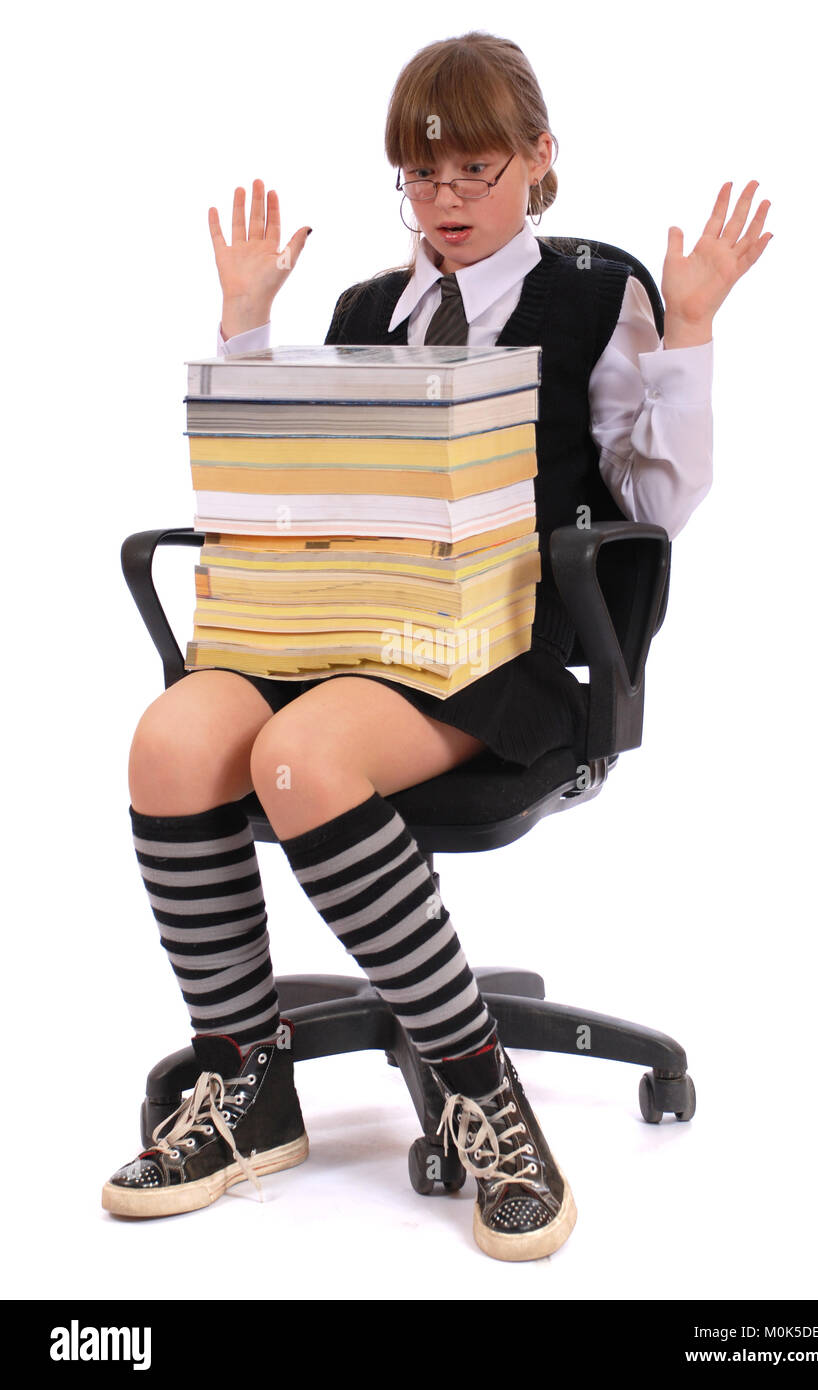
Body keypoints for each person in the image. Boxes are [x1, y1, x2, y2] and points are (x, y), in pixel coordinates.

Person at [102, 30, 771, 1261]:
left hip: (508, 662)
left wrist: (687, 332)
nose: (446, 202)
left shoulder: (592, 289)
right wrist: (246, 326)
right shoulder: (367, 311)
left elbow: (655, 509)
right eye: (421, 177)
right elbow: (280, 493)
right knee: (172, 737)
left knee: (298, 758)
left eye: (474, 170)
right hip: (346, 640)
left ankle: (480, 1090)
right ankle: (245, 1081)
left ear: (538, 158)